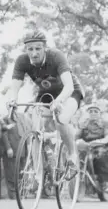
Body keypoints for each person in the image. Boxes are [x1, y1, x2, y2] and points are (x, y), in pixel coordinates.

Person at [8, 30, 84, 175]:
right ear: (26, 49)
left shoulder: (56, 56)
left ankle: (72, 155)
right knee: (36, 129)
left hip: (70, 92)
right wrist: (13, 99)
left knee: (61, 119)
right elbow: (15, 85)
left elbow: (69, 86)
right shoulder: (22, 60)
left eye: (38, 48)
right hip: (46, 94)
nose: (34, 53)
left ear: (45, 48)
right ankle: (38, 172)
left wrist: (59, 101)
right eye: (30, 49)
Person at [76, 103, 108, 190]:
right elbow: (76, 137)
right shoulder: (84, 124)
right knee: (74, 156)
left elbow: (107, 138)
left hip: (100, 146)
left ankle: (104, 182)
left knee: (100, 155)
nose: (93, 113)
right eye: (90, 111)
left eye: (95, 111)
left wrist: (97, 142)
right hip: (85, 147)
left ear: (99, 113)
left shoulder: (105, 123)